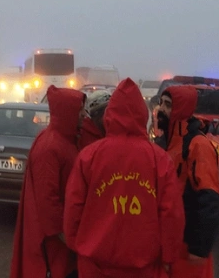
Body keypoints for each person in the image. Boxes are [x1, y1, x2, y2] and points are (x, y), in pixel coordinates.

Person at [64, 78, 185, 278]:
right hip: (144, 268)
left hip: (94, 266)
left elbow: (73, 206)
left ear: (109, 114)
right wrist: (168, 257)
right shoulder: (159, 160)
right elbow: (171, 213)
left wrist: (77, 243)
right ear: (142, 114)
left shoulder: (89, 156)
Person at [10, 85, 88, 278]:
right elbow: (47, 202)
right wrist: (68, 238)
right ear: (67, 111)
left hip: (63, 242)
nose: (84, 114)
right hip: (53, 247)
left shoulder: (65, 139)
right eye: (80, 110)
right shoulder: (50, 147)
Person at [154, 85, 219, 278]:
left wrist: (199, 248)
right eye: (161, 103)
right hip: (166, 244)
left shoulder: (198, 145)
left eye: (168, 105)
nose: (162, 109)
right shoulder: (163, 142)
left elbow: (210, 198)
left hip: (187, 248)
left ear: (181, 108)